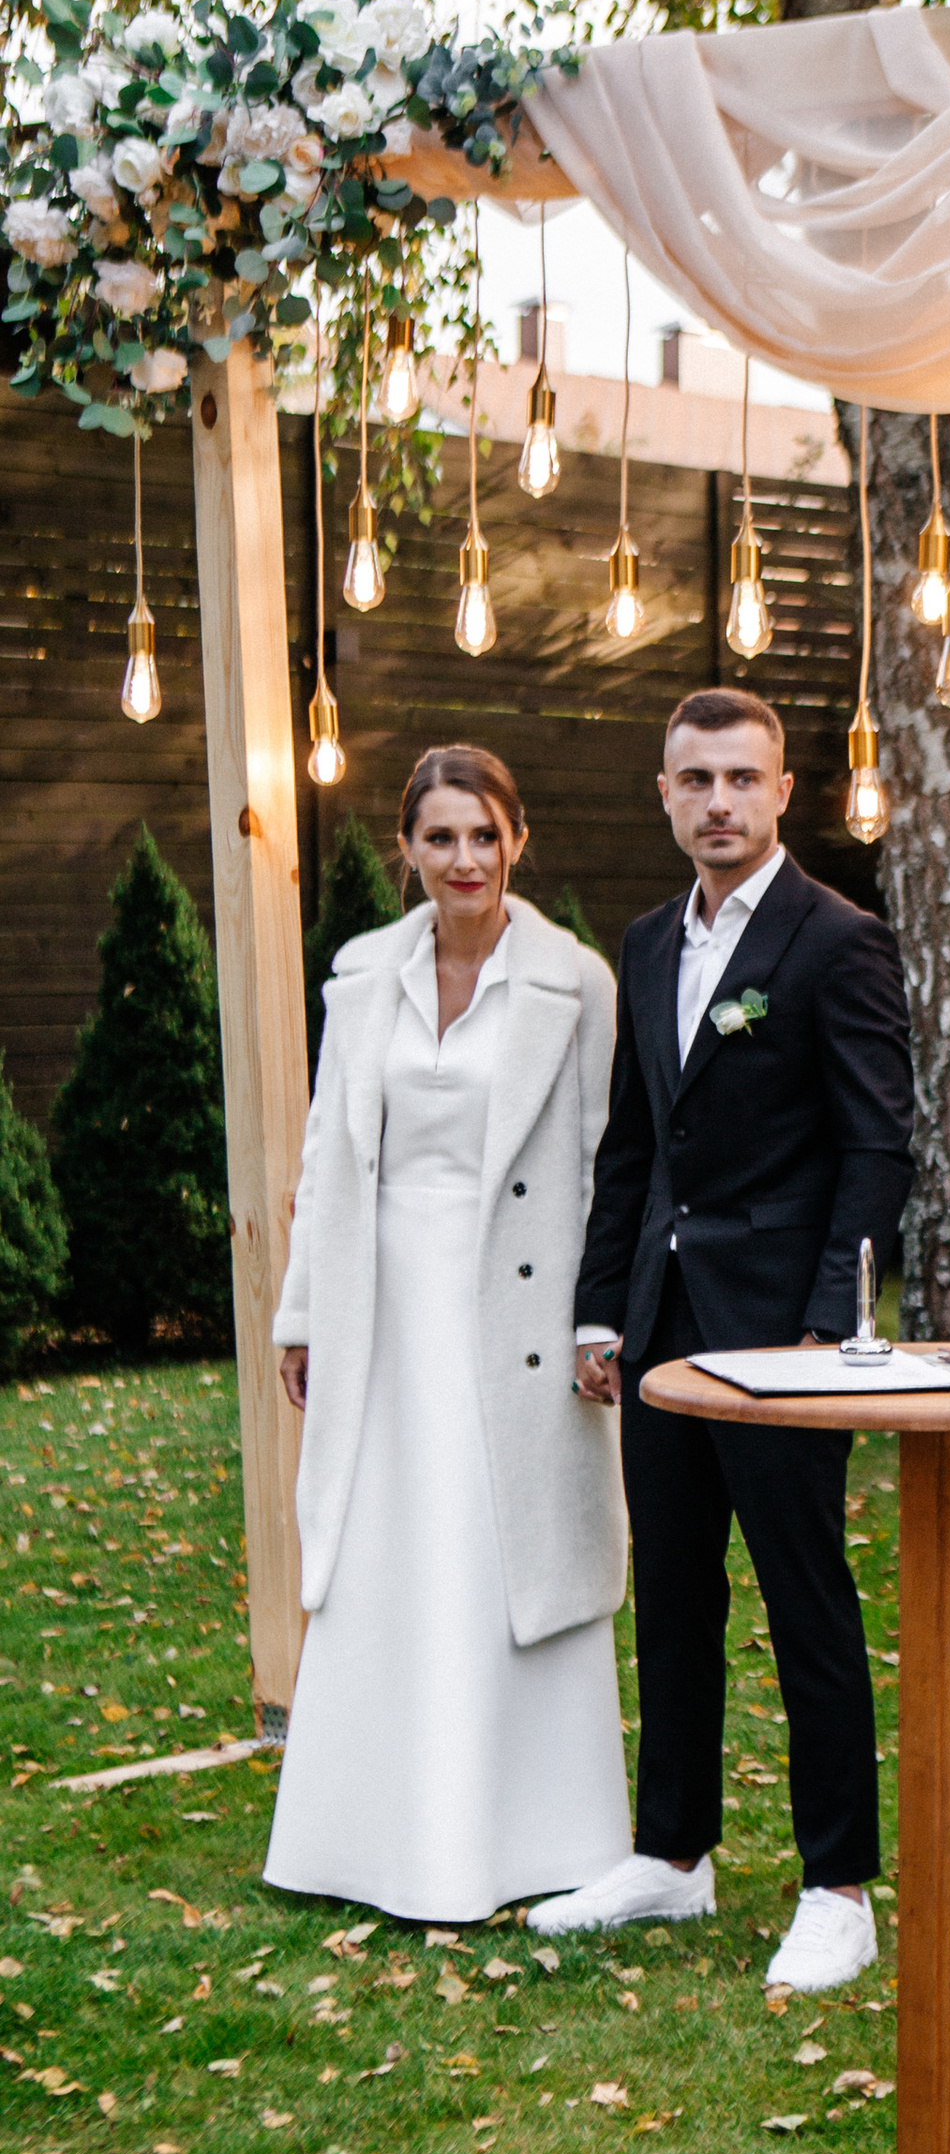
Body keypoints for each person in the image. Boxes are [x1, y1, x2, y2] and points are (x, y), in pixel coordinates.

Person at [548, 687, 915, 1995]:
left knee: (805, 1600)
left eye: (741, 780)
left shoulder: (838, 943)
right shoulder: (649, 945)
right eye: (694, 780)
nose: (717, 803)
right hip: (665, 1328)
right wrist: (604, 1309)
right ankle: (673, 1855)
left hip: (786, 1338)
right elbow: (635, 1148)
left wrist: (831, 1325)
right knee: (679, 1596)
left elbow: (877, 1150)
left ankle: (837, 1886)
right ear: (663, 793)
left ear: (780, 794)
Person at [265, 746, 630, 1923]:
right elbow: (329, 1156)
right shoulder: (362, 976)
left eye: (484, 835)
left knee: (504, 1546)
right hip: (383, 1302)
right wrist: (304, 1309)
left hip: (521, 1305)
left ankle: (533, 1839)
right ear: (407, 850)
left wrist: (596, 1318)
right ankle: (362, 1841)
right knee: (385, 1553)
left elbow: (602, 1166)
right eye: (440, 838)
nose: (463, 860)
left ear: (518, 840)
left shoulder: (575, 983)